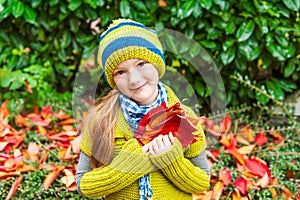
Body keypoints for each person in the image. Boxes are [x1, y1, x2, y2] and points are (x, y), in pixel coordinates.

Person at [76, 18, 210, 200]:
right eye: (120, 72)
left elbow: (202, 182)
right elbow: (83, 185)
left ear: (156, 64)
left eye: (141, 64)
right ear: (113, 80)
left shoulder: (184, 117)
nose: (134, 80)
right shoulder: (100, 120)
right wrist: (130, 165)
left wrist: (170, 160)